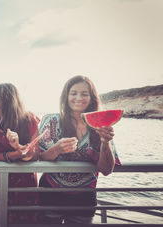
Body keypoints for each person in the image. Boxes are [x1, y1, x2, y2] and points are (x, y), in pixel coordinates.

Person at [38, 75, 121, 224]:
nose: (78, 98)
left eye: (84, 94)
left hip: (84, 198)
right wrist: (56, 149)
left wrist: (105, 143)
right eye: (73, 93)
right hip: (50, 194)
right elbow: (40, 157)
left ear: (92, 98)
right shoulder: (51, 121)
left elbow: (107, 170)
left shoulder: (101, 125)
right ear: (66, 96)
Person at [0, 83, 40, 224]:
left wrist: (19, 148)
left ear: (9, 100)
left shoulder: (30, 119)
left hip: (25, 184)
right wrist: (18, 153)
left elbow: (36, 154)